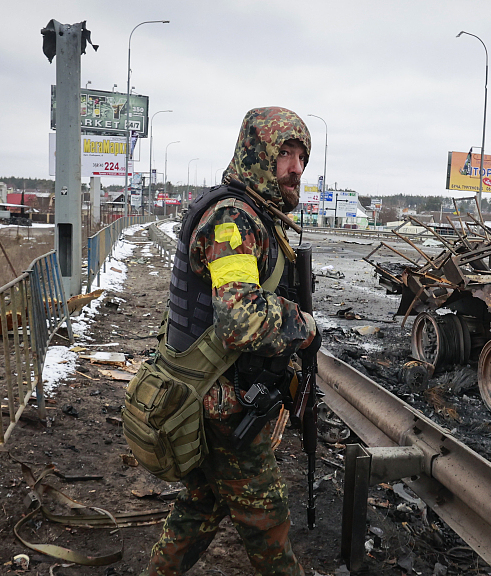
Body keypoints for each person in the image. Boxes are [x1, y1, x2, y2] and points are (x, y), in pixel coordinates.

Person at [144, 107, 317, 576]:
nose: (296, 168)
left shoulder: (254, 215)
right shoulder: (232, 220)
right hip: (219, 400)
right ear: (257, 153)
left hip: (214, 392)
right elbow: (240, 318)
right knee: (267, 522)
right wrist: (304, 326)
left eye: (302, 157)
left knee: (201, 506)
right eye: (285, 154)